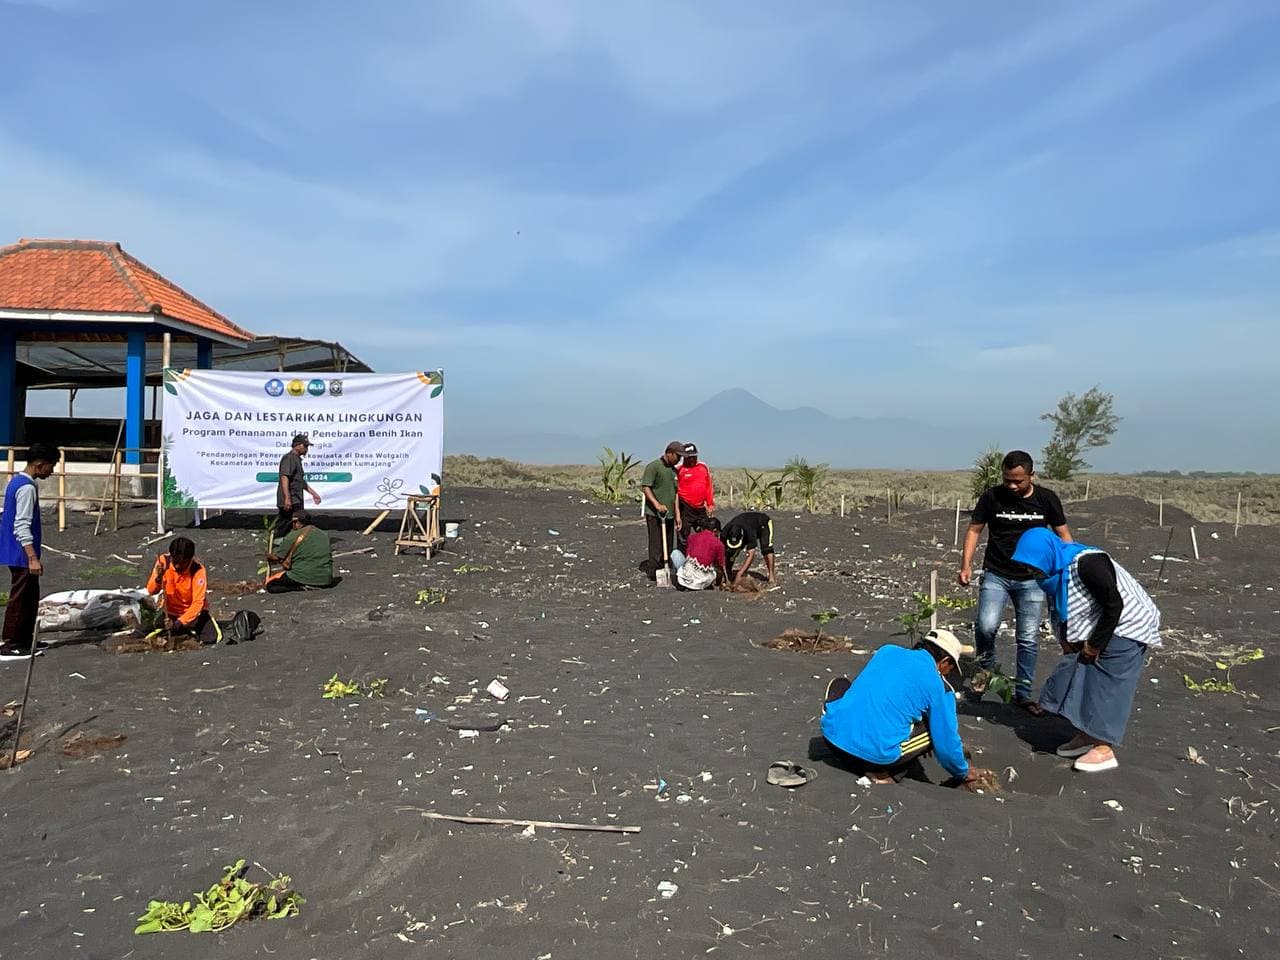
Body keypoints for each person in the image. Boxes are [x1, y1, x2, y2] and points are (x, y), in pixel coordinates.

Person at [1012, 527, 1162, 773]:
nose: (1031, 571)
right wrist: (1067, 639)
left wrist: (1094, 644)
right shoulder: (1055, 573)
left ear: (1047, 554)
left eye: (1033, 565)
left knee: (1108, 684)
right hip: (1104, 625)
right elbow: (1064, 607)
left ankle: (1104, 748)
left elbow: (1114, 605)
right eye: (1027, 567)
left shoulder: (1087, 563)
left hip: (1128, 625)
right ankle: (1087, 735)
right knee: (1085, 677)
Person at [958, 450, 1072, 715]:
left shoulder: (1046, 499)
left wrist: (1070, 568)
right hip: (996, 573)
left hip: (1032, 579)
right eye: (1007, 479)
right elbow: (975, 529)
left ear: (1031, 475)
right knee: (986, 628)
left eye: (1018, 481)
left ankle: (1023, 693)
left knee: (1028, 638)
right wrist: (966, 565)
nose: (1012, 485)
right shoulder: (991, 497)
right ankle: (982, 681)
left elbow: (1063, 533)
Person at [820, 628, 993, 788]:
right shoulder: (940, 686)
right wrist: (963, 772)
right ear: (944, 661)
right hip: (873, 757)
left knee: (841, 685)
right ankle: (884, 774)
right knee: (935, 727)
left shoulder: (887, 651)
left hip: (832, 739)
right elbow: (946, 743)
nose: (949, 672)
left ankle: (845, 733)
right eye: (952, 667)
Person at [0, 443, 60, 662]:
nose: (51, 471)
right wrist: (32, 557)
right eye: (50, 466)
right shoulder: (26, 488)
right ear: (40, 464)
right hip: (21, 552)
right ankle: (11, 642)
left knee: (30, 595)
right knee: (21, 597)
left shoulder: (16, 481)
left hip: (17, 550)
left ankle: (24, 639)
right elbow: (21, 524)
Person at [145, 537, 220, 644]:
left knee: (212, 637)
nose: (177, 565)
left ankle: (183, 631)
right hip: (169, 613)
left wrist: (178, 623)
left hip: (193, 615)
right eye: (175, 561)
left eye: (182, 562)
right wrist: (158, 578)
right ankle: (181, 632)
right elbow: (151, 591)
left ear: (190, 559)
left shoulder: (197, 570)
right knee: (140, 634)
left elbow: (198, 603)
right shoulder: (163, 562)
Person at [640, 441, 683, 582]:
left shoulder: (674, 471)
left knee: (669, 544)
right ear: (669, 453)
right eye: (677, 456)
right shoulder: (654, 467)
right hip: (654, 513)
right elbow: (646, 487)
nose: (679, 459)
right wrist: (657, 505)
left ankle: (667, 568)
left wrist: (677, 514)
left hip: (669, 514)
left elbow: (675, 493)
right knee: (656, 543)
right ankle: (654, 571)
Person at [265, 511, 334, 592]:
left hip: (303, 576)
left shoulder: (292, 536)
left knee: (271, 586)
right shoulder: (324, 534)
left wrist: (268, 556)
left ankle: (299, 587)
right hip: (326, 579)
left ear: (296, 522)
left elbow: (277, 557)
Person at [275, 434, 321, 540]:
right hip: (290, 499)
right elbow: (284, 477)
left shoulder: (297, 459)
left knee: (298, 523)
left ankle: (293, 547)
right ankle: (277, 547)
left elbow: (300, 482)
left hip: (296, 499)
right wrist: (287, 498)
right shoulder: (289, 458)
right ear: (297, 445)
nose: (306, 449)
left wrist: (314, 494)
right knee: (285, 525)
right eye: (305, 446)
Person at [722, 511, 776, 587]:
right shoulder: (725, 532)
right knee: (731, 553)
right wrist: (726, 575)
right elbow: (723, 553)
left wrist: (739, 574)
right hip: (746, 525)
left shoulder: (749, 532)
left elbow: (750, 555)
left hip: (762, 523)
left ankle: (771, 576)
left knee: (766, 548)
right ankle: (729, 573)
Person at [676, 442, 715, 546]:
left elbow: (708, 486)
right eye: (689, 457)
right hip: (685, 507)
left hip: (700, 507)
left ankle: (705, 558)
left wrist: (710, 503)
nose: (692, 459)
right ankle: (682, 560)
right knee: (683, 537)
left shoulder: (703, 467)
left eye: (694, 457)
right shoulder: (679, 469)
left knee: (706, 534)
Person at [676, 516, 728, 590]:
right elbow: (721, 566)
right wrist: (724, 580)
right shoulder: (718, 544)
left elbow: (688, 555)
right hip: (700, 582)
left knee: (675, 553)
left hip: (683, 577)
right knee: (714, 573)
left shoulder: (691, 537)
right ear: (715, 530)